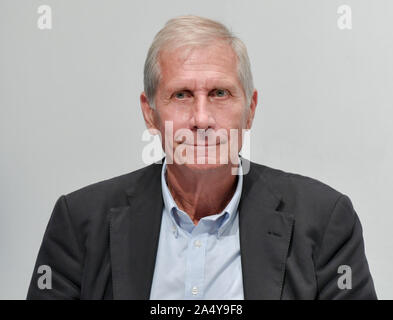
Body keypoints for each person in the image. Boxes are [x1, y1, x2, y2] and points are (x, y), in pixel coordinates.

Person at [27, 15, 377, 300]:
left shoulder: (324, 221)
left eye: (220, 93)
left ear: (250, 110)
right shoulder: (80, 222)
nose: (202, 118)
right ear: (149, 114)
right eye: (181, 95)